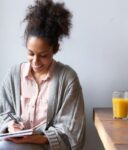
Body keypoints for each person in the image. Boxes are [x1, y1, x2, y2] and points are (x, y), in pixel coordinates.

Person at [0, 0, 85, 150]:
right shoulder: (13, 74)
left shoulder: (68, 78)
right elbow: (3, 112)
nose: (35, 61)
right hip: (12, 144)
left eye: (43, 55)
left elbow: (72, 130)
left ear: (55, 49)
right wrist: (10, 126)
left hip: (46, 146)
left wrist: (39, 138)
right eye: (30, 54)